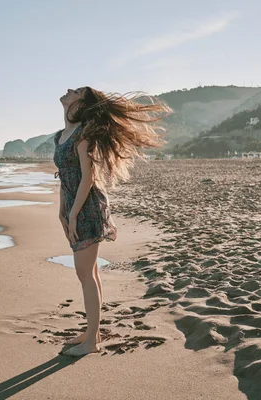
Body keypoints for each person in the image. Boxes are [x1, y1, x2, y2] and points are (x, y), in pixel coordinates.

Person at [54, 86, 171, 356]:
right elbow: (64, 174)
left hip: (87, 207)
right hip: (72, 206)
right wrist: (62, 209)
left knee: (85, 273)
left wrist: (73, 214)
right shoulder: (60, 136)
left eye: (76, 92)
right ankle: (91, 331)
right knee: (89, 273)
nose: (69, 90)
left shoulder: (83, 135)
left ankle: (91, 343)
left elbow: (87, 178)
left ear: (80, 105)